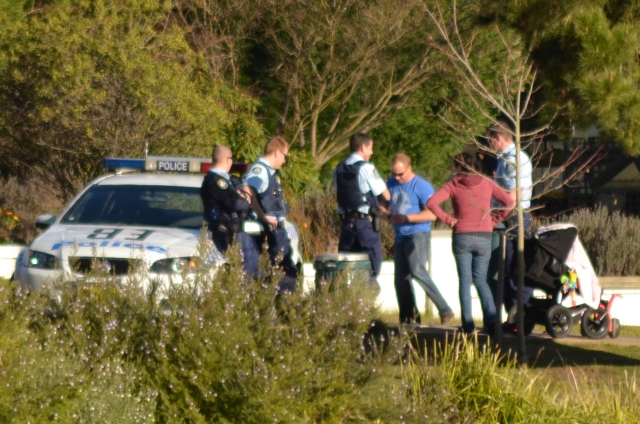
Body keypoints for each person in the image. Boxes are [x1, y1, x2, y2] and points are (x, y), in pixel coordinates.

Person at [427, 152, 515, 334]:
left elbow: (431, 202)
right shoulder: (487, 182)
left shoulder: (454, 184)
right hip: (484, 236)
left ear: (458, 167)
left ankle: (468, 325)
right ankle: (492, 321)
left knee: (464, 282)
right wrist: (494, 220)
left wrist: (448, 219)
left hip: (462, 236)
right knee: (481, 280)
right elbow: (509, 202)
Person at [386, 153, 454, 325]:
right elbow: (382, 201)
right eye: (394, 173)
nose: (396, 177)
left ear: (409, 168)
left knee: (417, 270)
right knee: (400, 278)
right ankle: (409, 318)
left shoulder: (421, 186)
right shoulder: (391, 183)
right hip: (400, 235)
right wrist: (385, 213)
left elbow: (432, 214)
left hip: (418, 233)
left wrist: (407, 218)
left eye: (400, 174)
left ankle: (444, 309)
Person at [485, 120, 533, 314]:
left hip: (513, 217)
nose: (489, 146)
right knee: (499, 270)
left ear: (498, 138)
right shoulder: (503, 159)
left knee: (513, 268)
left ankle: (517, 314)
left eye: (490, 141)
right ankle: (508, 316)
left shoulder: (514, 159)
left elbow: (515, 194)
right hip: (504, 216)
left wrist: (496, 216)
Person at [333, 133, 390, 287]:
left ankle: (350, 302)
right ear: (363, 147)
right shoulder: (366, 168)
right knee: (372, 266)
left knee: (347, 268)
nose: (372, 152)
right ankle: (367, 302)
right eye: (371, 148)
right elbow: (385, 194)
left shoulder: (338, 169)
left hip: (346, 224)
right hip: (364, 224)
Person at [244, 136, 298, 295]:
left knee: (279, 272)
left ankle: (280, 310)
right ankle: (286, 313)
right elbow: (248, 190)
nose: (284, 161)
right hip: (270, 231)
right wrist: (263, 216)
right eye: (285, 156)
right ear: (276, 153)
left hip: (275, 230)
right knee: (286, 271)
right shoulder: (260, 171)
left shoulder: (268, 172)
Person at [200, 145, 259, 278]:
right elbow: (238, 203)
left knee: (254, 269)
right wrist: (246, 200)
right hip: (227, 233)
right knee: (249, 271)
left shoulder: (230, 180)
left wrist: (245, 198)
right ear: (228, 160)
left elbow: (244, 198)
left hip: (236, 231)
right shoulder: (215, 181)